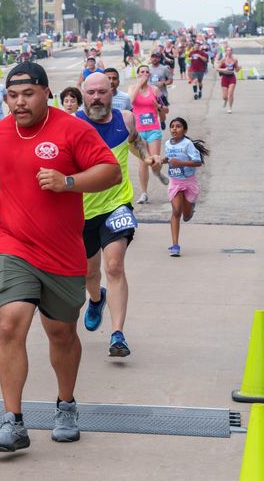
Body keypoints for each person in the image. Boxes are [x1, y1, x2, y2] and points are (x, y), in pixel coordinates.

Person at [0, 62, 121, 453]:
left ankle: (66, 405)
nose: (19, 103)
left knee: (61, 334)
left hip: (62, 252)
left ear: (46, 93)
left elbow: (111, 172)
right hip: (12, 244)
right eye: (12, 96)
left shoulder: (72, 129)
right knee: (10, 323)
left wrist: (68, 182)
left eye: (28, 94)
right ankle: (12, 421)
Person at [77, 72, 162, 358]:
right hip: (83, 211)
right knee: (90, 272)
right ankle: (96, 298)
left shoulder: (125, 119)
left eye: (102, 92)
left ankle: (117, 335)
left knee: (114, 266)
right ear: (83, 93)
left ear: (111, 92)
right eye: (91, 92)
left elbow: (135, 141)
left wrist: (147, 157)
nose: (96, 97)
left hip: (117, 204)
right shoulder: (72, 123)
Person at [155, 117, 209, 257]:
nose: (174, 128)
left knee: (186, 215)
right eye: (172, 126)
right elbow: (169, 158)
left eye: (178, 126)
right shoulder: (168, 143)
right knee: (176, 211)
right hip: (175, 182)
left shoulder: (188, 144)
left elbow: (197, 162)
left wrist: (180, 163)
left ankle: (190, 209)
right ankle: (175, 246)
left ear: (185, 130)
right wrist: (162, 160)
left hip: (189, 182)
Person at [128, 65, 167, 204]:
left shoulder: (155, 90)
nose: (144, 74)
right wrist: (139, 84)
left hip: (153, 129)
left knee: (155, 160)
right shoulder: (132, 88)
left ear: (150, 74)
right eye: (141, 72)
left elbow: (166, 109)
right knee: (143, 162)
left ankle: (157, 172)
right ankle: (144, 193)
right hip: (138, 131)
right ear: (138, 74)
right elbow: (130, 101)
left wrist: (159, 107)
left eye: (146, 72)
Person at [147, 52, 172, 127]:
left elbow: (170, 80)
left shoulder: (164, 69)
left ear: (159, 59)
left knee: (161, 111)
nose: (154, 59)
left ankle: (162, 120)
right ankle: (153, 126)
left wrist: (164, 83)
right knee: (150, 111)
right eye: (153, 57)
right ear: (150, 58)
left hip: (161, 94)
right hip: (150, 94)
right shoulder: (147, 68)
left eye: (156, 57)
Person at [217, 47, 241, 113]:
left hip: (232, 78)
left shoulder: (235, 60)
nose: (229, 51)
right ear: (226, 52)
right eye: (228, 50)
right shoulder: (223, 60)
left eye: (230, 50)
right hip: (224, 78)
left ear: (232, 52)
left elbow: (236, 70)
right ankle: (225, 100)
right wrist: (224, 69)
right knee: (224, 96)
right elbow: (217, 69)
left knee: (230, 94)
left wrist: (239, 68)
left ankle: (230, 108)